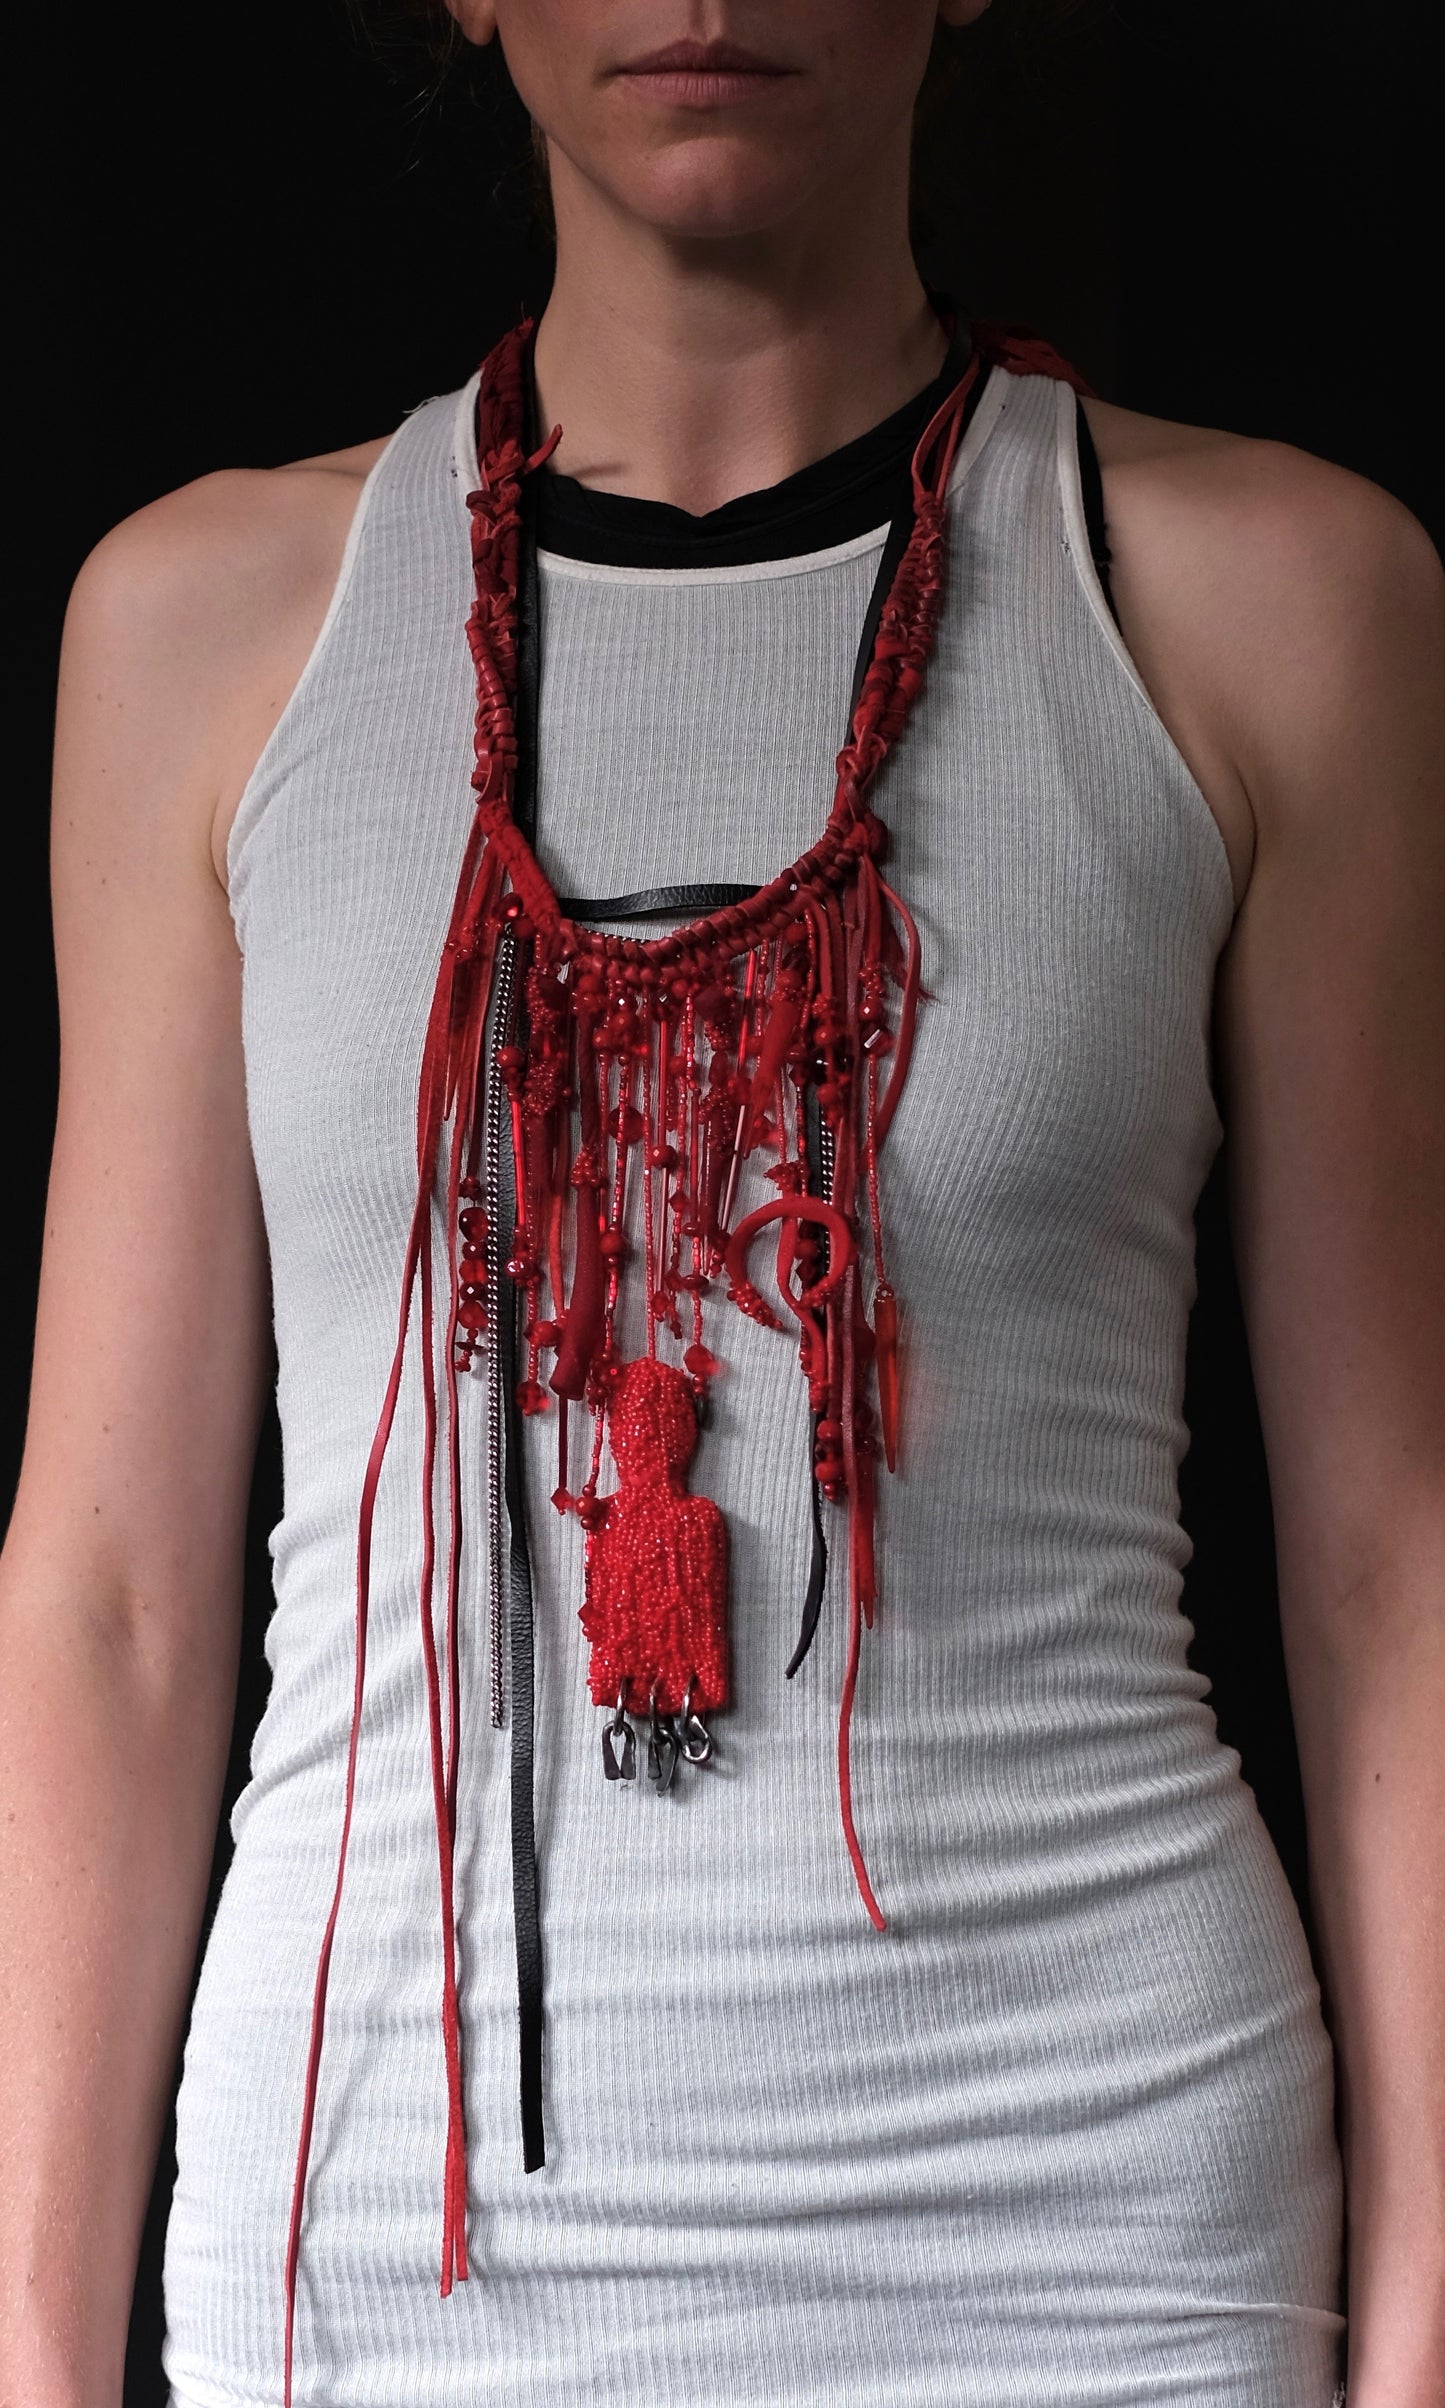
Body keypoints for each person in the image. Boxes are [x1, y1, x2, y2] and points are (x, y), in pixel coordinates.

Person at [2, 3, 1442, 2404]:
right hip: (379, 2249)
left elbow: (1394, 1558)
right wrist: (34, 2341)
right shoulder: (197, 629)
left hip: (1103, 2239)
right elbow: (113, 1593)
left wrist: (1423, 2316)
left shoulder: (1281, 602)